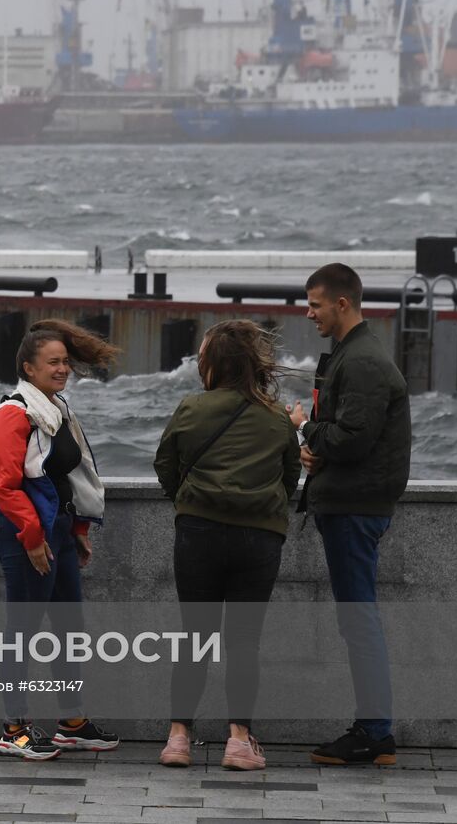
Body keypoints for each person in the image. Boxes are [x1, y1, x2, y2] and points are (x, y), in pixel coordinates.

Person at [154, 320, 301, 771]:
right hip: (258, 539)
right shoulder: (277, 417)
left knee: (194, 638)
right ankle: (238, 741)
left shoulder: (191, 408)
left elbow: (166, 465)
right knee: (243, 643)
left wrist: (191, 502)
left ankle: (178, 739)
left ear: (212, 364)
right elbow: (289, 478)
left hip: (198, 533)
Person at [287, 263, 411, 766]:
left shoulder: (360, 361)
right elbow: (352, 434)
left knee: (359, 621)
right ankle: (372, 729)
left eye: (315, 304)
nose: (309, 312)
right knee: (357, 619)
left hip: (354, 509)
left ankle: (375, 732)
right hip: (351, 502)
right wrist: (320, 446)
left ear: (342, 303)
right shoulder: (354, 354)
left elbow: (353, 439)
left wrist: (305, 428)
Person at [0, 319, 121, 760]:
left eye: (65, 362)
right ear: (29, 367)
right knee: (22, 632)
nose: (62, 369)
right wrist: (31, 536)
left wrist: (77, 531)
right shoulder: (15, 412)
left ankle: (72, 722)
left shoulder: (55, 407)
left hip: (58, 533)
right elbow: (2, 483)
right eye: (53, 362)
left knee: (69, 628)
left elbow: (66, 477)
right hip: (27, 536)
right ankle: (13, 727)